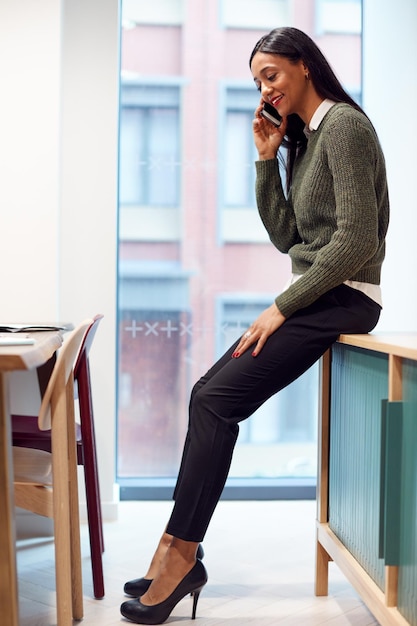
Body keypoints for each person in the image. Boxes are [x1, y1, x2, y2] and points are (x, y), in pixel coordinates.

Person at [120, 26, 389, 625]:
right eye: (257, 82)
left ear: (303, 65)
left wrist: (284, 305)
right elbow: (287, 237)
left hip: (345, 297)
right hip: (320, 294)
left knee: (215, 400)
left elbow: (354, 241)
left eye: (272, 75)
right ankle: (174, 548)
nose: (265, 90)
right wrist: (268, 159)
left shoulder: (344, 125)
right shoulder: (306, 139)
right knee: (206, 397)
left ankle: (181, 556)